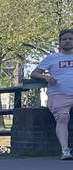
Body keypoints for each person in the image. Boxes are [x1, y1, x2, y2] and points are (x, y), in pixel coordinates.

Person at [30, 28, 73, 160]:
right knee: (63, 117)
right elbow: (33, 73)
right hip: (59, 94)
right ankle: (65, 150)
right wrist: (46, 77)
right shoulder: (51, 58)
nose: (67, 41)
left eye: (70, 39)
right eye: (64, 39)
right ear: (59, 42)